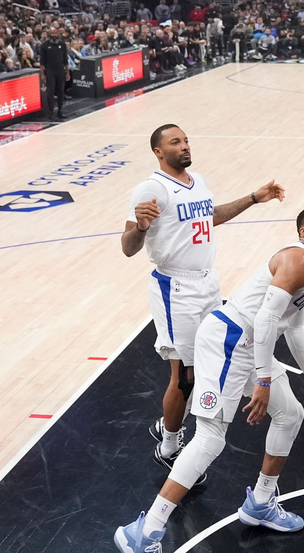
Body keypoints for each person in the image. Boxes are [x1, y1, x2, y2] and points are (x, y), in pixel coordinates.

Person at [114, 206, 304, 553]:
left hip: (249, 346)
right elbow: (264, 320)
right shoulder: (296, 259)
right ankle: (144, 532)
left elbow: (294, 326)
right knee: (210, 440)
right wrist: (263, 380)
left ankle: (261, 503)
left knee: (290, 414)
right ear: (303, 231)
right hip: (229, 341)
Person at [121, 124, 284, 478]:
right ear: (158, 152)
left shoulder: (198, 180)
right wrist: (141, 227)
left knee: (208, 363)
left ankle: (169, 424)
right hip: (175, 287)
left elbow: (210, 216)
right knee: (186, 376)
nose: (184, 146)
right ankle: (169, 446)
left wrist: (254, 198)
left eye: (186, 140)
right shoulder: (151, 188)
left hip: (208, 283)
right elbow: (128, 247)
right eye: (175, 142)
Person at [39, 27, 69, 120]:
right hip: (50, 70)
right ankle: (50, 112)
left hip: (60, 69)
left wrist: (67, 72)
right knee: (50, 91)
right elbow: (42, 62)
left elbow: (65, 60)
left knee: (60, 91)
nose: (54, 35)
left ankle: (60, 111)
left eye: (55, 33)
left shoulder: (62, 44)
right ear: (49, 34)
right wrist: (42, 74)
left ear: (58, 33)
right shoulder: (44, 45)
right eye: (52, 33)